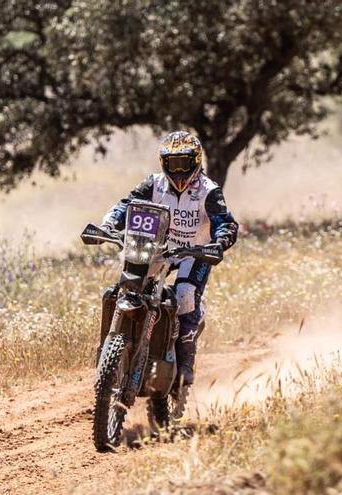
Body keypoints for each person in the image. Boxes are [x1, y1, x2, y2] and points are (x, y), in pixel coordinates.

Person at [100, 130, 238, 398]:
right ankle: (119, 345)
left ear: (195, 161)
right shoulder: (154, 184)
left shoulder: (209, 191)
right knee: (129, 285)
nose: (177, 170)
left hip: (195, 252)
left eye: (182, 163)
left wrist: (219, 242)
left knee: (185, 295)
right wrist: (108, 223)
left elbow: (226, 223)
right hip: (158, 248)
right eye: (171, 163)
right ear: (163, 163)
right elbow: (127, 205)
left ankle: (185, 361)